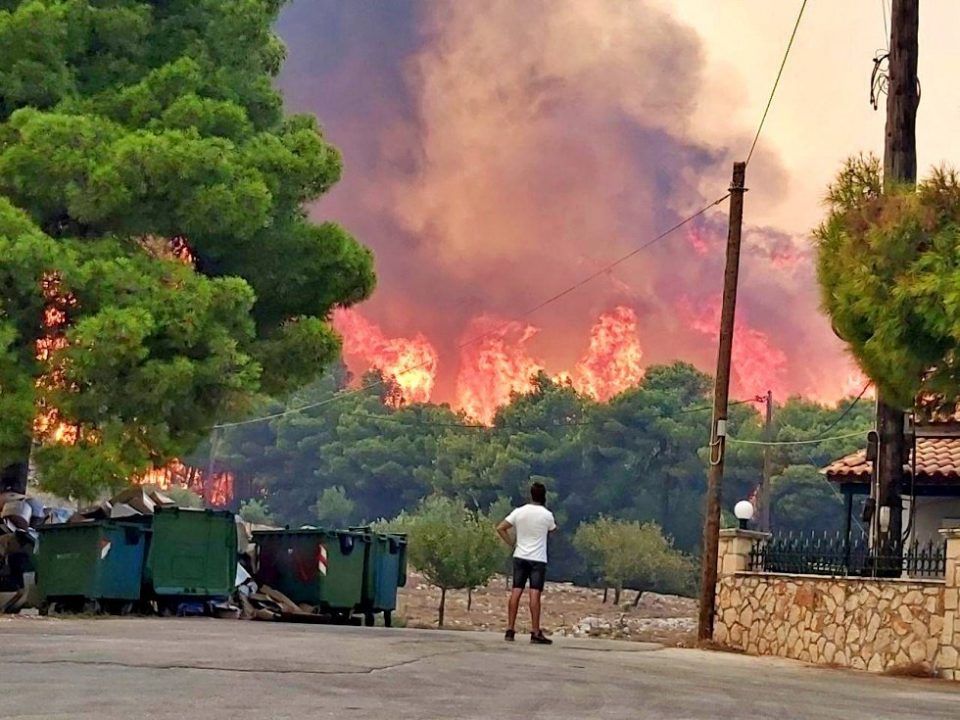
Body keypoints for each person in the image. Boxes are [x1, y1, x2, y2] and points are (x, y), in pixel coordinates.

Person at [496, 481, 556, 645]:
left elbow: (501, 527)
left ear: (530, 495)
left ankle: (510, 628)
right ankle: (535, 631)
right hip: (538, 558)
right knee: (534, 594)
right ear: (544, 496)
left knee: (516, 591)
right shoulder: (546, 515)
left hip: (520, 555)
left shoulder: (519, 512)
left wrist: (512, 543)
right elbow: (553, 530)